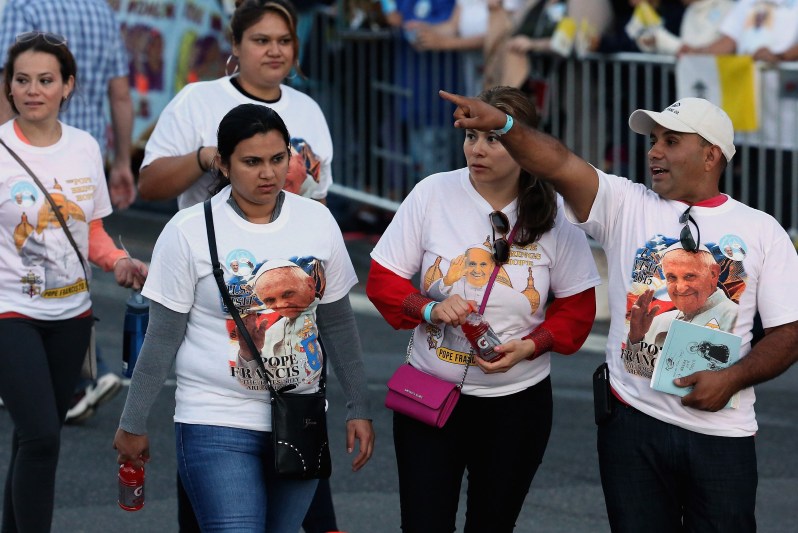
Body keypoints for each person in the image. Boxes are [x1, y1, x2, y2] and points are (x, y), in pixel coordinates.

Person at [438, 89, 798, 531]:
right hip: (631, 426)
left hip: (721, 433)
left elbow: (789, 333)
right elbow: (558, 163)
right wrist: (505, 126)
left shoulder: (763, 231)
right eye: (654, 140)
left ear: (710, 156)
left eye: (671, 141)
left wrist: (731, 379)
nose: (654, 152)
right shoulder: (625, 203)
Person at [113, 103, 375, 532]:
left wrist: (358, 406)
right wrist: (132, 422)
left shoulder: (318, 221)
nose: (268, 173)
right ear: (223, 163)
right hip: (214, 419)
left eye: (277, 159)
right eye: (252, 162)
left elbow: (338, 323)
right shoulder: (188, 230)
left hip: (301, 416)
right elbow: (162, 338)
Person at [367, 86, 600, 532]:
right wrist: (430, 309)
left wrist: (530, 346)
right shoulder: (432, 193)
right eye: (471, 136)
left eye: (493, 138)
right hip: (430, 393)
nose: (477, 149)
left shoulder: (555, 211)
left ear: (523, 142)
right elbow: (382, 280)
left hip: (517, 406)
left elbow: (577, 310)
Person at [0, 32, 146, 532]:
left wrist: (119, 262)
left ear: (67, 86)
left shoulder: (84, 147)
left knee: (32, 439)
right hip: (10, 313)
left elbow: (93, 232)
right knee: (42, 436)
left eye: (45, 80)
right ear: (9, 86)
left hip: (71, 318)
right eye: (22, 80)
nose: (32, 90)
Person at [138, 0, 333, 208]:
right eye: (262, 40)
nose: (275, 51)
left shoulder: (309, 109)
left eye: (284, 41)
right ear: (236, 45)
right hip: (212, 230)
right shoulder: (197, 99)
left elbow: (318, 201)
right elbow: (149, 186)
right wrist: (204, 157)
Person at [627, 244, 739, 360]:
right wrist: (636, 338)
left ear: (713, 274)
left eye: (689, 276)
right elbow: (634, 369)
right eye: (671, 277)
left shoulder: (737, 318)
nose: (680, 288)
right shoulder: (657, 322)